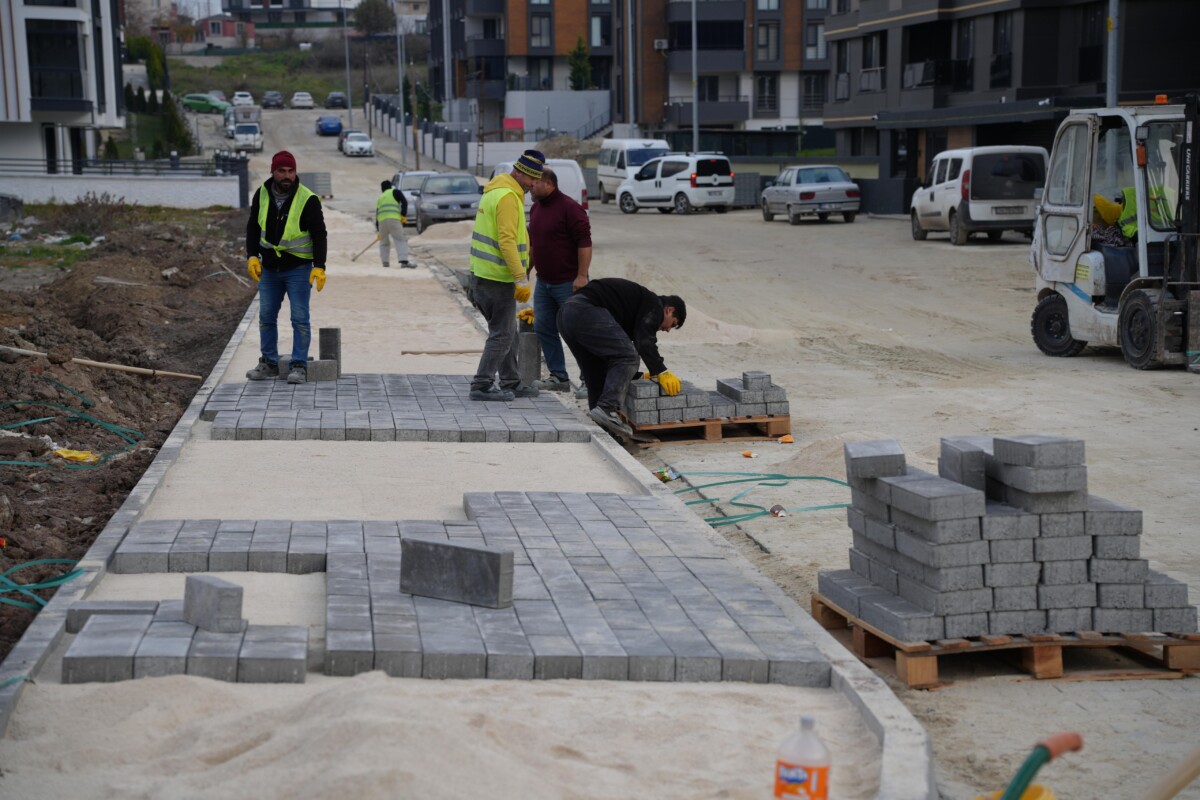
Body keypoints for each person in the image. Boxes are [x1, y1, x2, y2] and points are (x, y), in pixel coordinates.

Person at [557, 277, 685, 439]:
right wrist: (661, 371)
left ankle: (603, 427)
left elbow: (614, 362)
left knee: (596, 369)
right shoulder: (654, 304)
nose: (667, 330)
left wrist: (637, 376)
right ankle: (606, 408)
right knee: (629, 356)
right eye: (672, 324)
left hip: (566, 315)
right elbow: (644, 342)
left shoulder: (635, 308)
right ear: (669, 310)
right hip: (585, 311)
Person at [245, 150, 328, 384]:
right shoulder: (261, 194)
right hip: (270, 269)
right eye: (282, 170)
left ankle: (299, 366)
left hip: (298, 269)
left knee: (300, 318)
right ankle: (269, 363)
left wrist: (319, 266)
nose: (287, 175)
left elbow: (319, 234)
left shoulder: (308, 199)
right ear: (273, 171)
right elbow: (253, 226)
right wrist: (252, 256)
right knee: (266, 316)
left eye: (291, 171)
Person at [467, 149, 544, 401]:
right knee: (502, 333)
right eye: (533, 179)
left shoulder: (494, 192)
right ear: (521, 174)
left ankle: (511, 380)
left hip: (483, 275)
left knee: (506, 330)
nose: (534, 185)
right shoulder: (509, 197)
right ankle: (482, 384)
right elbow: (507, 241)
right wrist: (521, 277)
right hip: (497, 279)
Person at [528, 165, 592, 394]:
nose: (530, 187)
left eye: (534, 183)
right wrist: (527, 269)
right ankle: (559, 376)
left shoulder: (570, 208)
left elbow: (584, 242)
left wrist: (582, 276)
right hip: (544, 283)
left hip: (569, 283)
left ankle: (589, 380)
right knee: (544, 326)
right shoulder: (535, 209)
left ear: (548, 182)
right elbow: (534, 244)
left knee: (577, 331)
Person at [376, 179, 410, 268]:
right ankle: (404, 261)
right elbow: (405, 202)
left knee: (383, 242)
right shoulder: (395, 192)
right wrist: (403, 215)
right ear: (390, 186)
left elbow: (377, 213)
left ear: (382, 189)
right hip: (393, 220)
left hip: (382, 222)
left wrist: (378, 229)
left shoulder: (380, 197)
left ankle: (385, 262)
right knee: (400, 239)